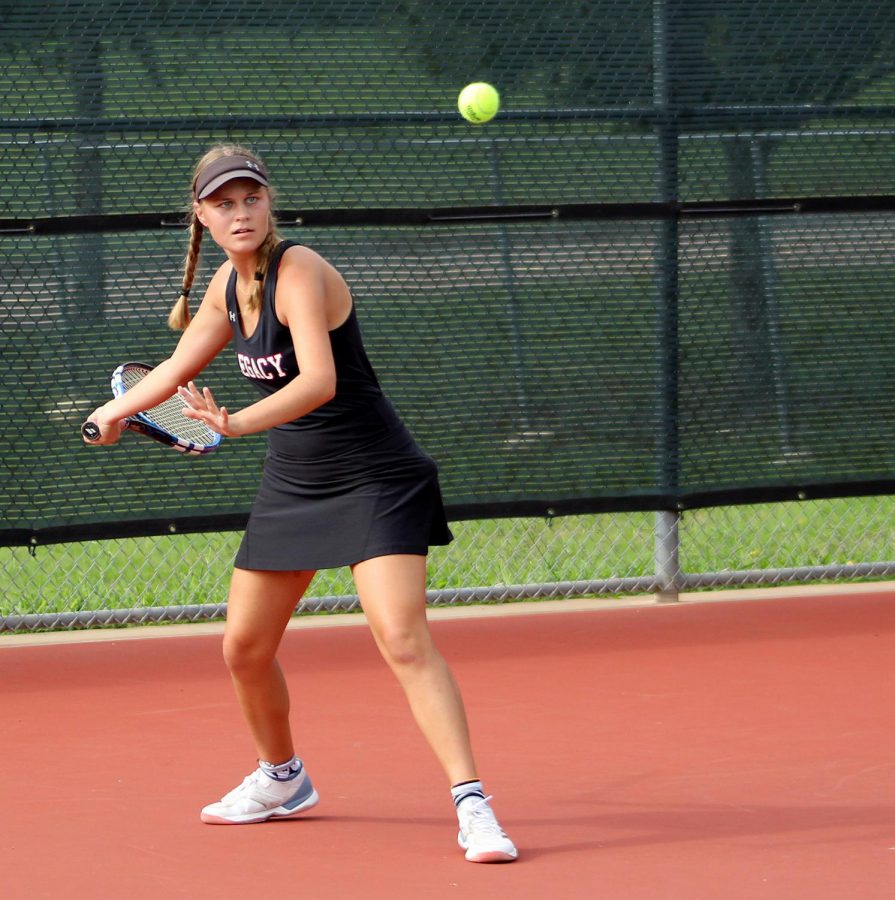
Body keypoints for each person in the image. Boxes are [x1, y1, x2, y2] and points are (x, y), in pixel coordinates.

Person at [84, 143, 517, 864]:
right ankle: (282, 778)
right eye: (223, 204)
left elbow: (316, 380)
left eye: (250, 198)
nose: (240, 212)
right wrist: (117, 411)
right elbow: (171, 368)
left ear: (268, 201)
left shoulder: (300, 271)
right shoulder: (227, 285)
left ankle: (474, 807)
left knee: (402, 636)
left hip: (376, 474)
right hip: (296, 482)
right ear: (202, 217)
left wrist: (235, 424)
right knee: (244, 649)